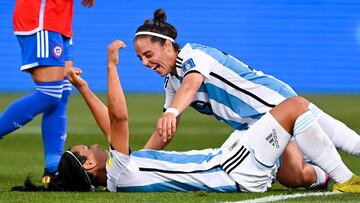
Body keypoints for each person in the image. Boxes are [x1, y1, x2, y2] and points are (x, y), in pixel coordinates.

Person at [14, 40, 360, 193]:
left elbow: (110, 127)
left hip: (234, 162)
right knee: (295, 106)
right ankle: (347, 179)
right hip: (234, 166)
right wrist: (110, 65)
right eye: (88, 149)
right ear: (90, 167)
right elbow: (118, 119)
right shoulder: (120, 171)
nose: (94, 144)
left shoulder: (122, 173)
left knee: (294, 174)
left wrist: (83, 89)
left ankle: (324, 177)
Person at [133, 9, 360, 161]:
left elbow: (192, 84)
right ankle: (322, 177)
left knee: (346, 142)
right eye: (140, 58)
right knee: (291, 173)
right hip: (257, 128)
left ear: (167, 45)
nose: (144, 63)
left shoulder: (194, 55)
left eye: (148, 54)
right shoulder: (172, 81)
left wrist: (172, 111)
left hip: (278, 105)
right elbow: (166, 132)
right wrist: (137, 161)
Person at [0, 0, 95, 183]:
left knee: (62, 92)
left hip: (60, 18)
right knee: (49, 93)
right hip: (42, 16)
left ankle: (53, 169)